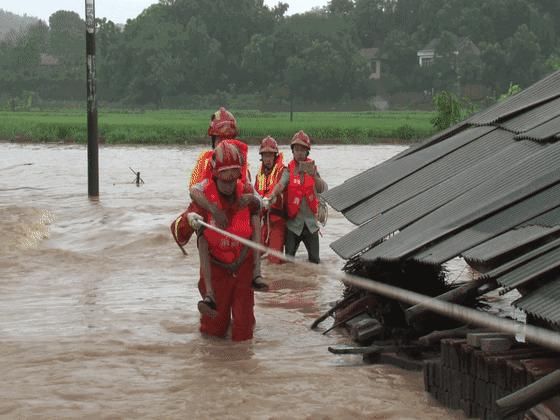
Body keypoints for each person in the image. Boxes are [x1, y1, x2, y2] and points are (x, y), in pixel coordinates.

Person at [187, 141, 267, 341]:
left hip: (243, 266)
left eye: (233, 181)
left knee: (244, 330)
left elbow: (261, 204)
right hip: (216, 269)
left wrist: (250, 200)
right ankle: (210, 296)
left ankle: (258, 273)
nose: (230, 185)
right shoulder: (204, 192)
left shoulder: (245, 189)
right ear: (215, 176)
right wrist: (209, 212)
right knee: (212, 332)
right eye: (225, 181)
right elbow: (192, 206)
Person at [171, 107, 249, 254]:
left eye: (228, 139)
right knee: (195, 212)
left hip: (233, 206)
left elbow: (248, 188)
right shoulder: (205, 161)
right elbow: (194, 191)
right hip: (208, 206)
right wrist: (214, 210)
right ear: (214, 140)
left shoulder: (241, 162)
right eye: (220, 139)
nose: (224, 144)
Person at [264, 130, 327, 264]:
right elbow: (280, 185)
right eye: (297, 149)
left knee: (315, 261)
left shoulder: (313, 169)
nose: (299, 153)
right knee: (289, 262)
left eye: (302, 150)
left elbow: (323, 188)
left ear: (307, 152)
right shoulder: (288, 170)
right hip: (293, 225)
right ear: (292, 152)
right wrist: (271, 195)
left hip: (311, 225)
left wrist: (314, 175)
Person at [254, 136, 287, 264]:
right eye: (265, 155)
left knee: (275, 261)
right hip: (264, 222)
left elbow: (281, 186)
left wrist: (271, 197)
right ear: (261, 156)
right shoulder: (259, 176)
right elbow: (256, 194)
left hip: (278, 221)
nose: (267, 159)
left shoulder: (283, 171)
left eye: (270, 155)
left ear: (275, 156)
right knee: (253, 254)